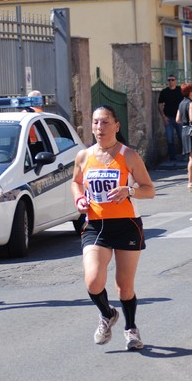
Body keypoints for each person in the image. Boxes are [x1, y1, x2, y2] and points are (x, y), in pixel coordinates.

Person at [71, 105, 155, 350]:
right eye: (96, 122)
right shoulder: (84, 156)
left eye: (105, 122)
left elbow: (149, 190)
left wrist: (128, 190)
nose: (99, 127)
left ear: (116, 126)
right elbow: (76, 182)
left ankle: (131, 329)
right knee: (93, 281)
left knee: (124, 286)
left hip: (127, 225)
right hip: (95, 226)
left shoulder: (129, 156)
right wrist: (79, 199)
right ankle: (107, 314)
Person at [158, 74, 183, 161]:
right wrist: (163, 117)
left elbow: (185, 103)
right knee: (169, 138)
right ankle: (172, 157)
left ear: (176, 81)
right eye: (169, 80)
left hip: (179, 118)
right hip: (168, 118)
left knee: (182, 137)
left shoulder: (180, 90)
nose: (171, 82)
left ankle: (184, 156)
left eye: (172, 80)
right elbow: (160, 105)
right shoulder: (164, 92)